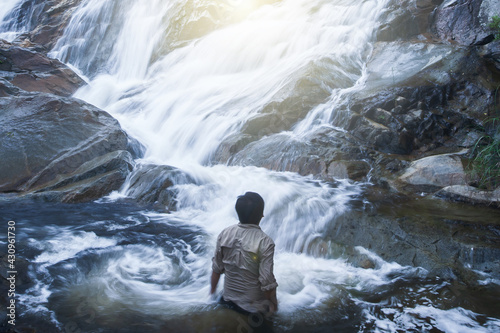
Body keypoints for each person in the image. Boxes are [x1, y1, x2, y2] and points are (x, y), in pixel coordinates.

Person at [210, 192, 278, 318]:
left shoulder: (225, 233)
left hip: (226, 302)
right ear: (262, 215)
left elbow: (216, 269)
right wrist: (274, 306)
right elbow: (267, 281)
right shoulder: (265, 242)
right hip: (252, 309)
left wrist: (212, 293)